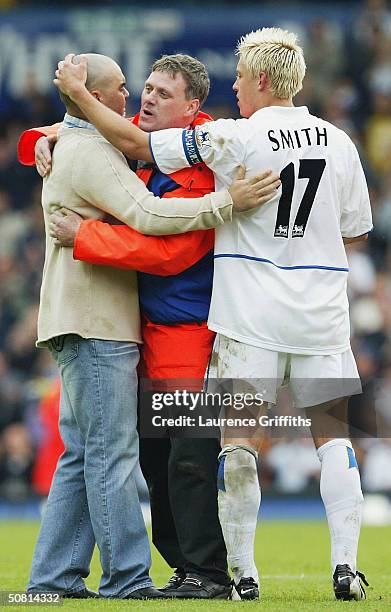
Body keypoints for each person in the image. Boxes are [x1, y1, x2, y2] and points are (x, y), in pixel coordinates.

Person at [53, 27, 373, 602]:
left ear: (264, 80)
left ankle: (240, 575)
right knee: (336, 440)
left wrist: (76, 102)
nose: (236, 86)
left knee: (235, 447)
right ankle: (346, 567)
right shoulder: (341, 142)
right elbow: (352, 232)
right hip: (322, 314)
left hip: (249, 317)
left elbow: (136, 148)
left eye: (242, 77)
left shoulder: (234, 138)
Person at [25, 51, 280, 600]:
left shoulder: (200, 162)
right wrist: (46, 134)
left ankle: (201, 573)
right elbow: (84, 129)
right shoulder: (141, 152)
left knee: (183, 456)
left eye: (163, 94)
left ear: (192, 110)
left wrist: (88, 238)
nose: (145, 99)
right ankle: (171, 569)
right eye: (143, 88)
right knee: (145, 456)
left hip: (189, 332)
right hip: (140, 333)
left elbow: (173, 251)